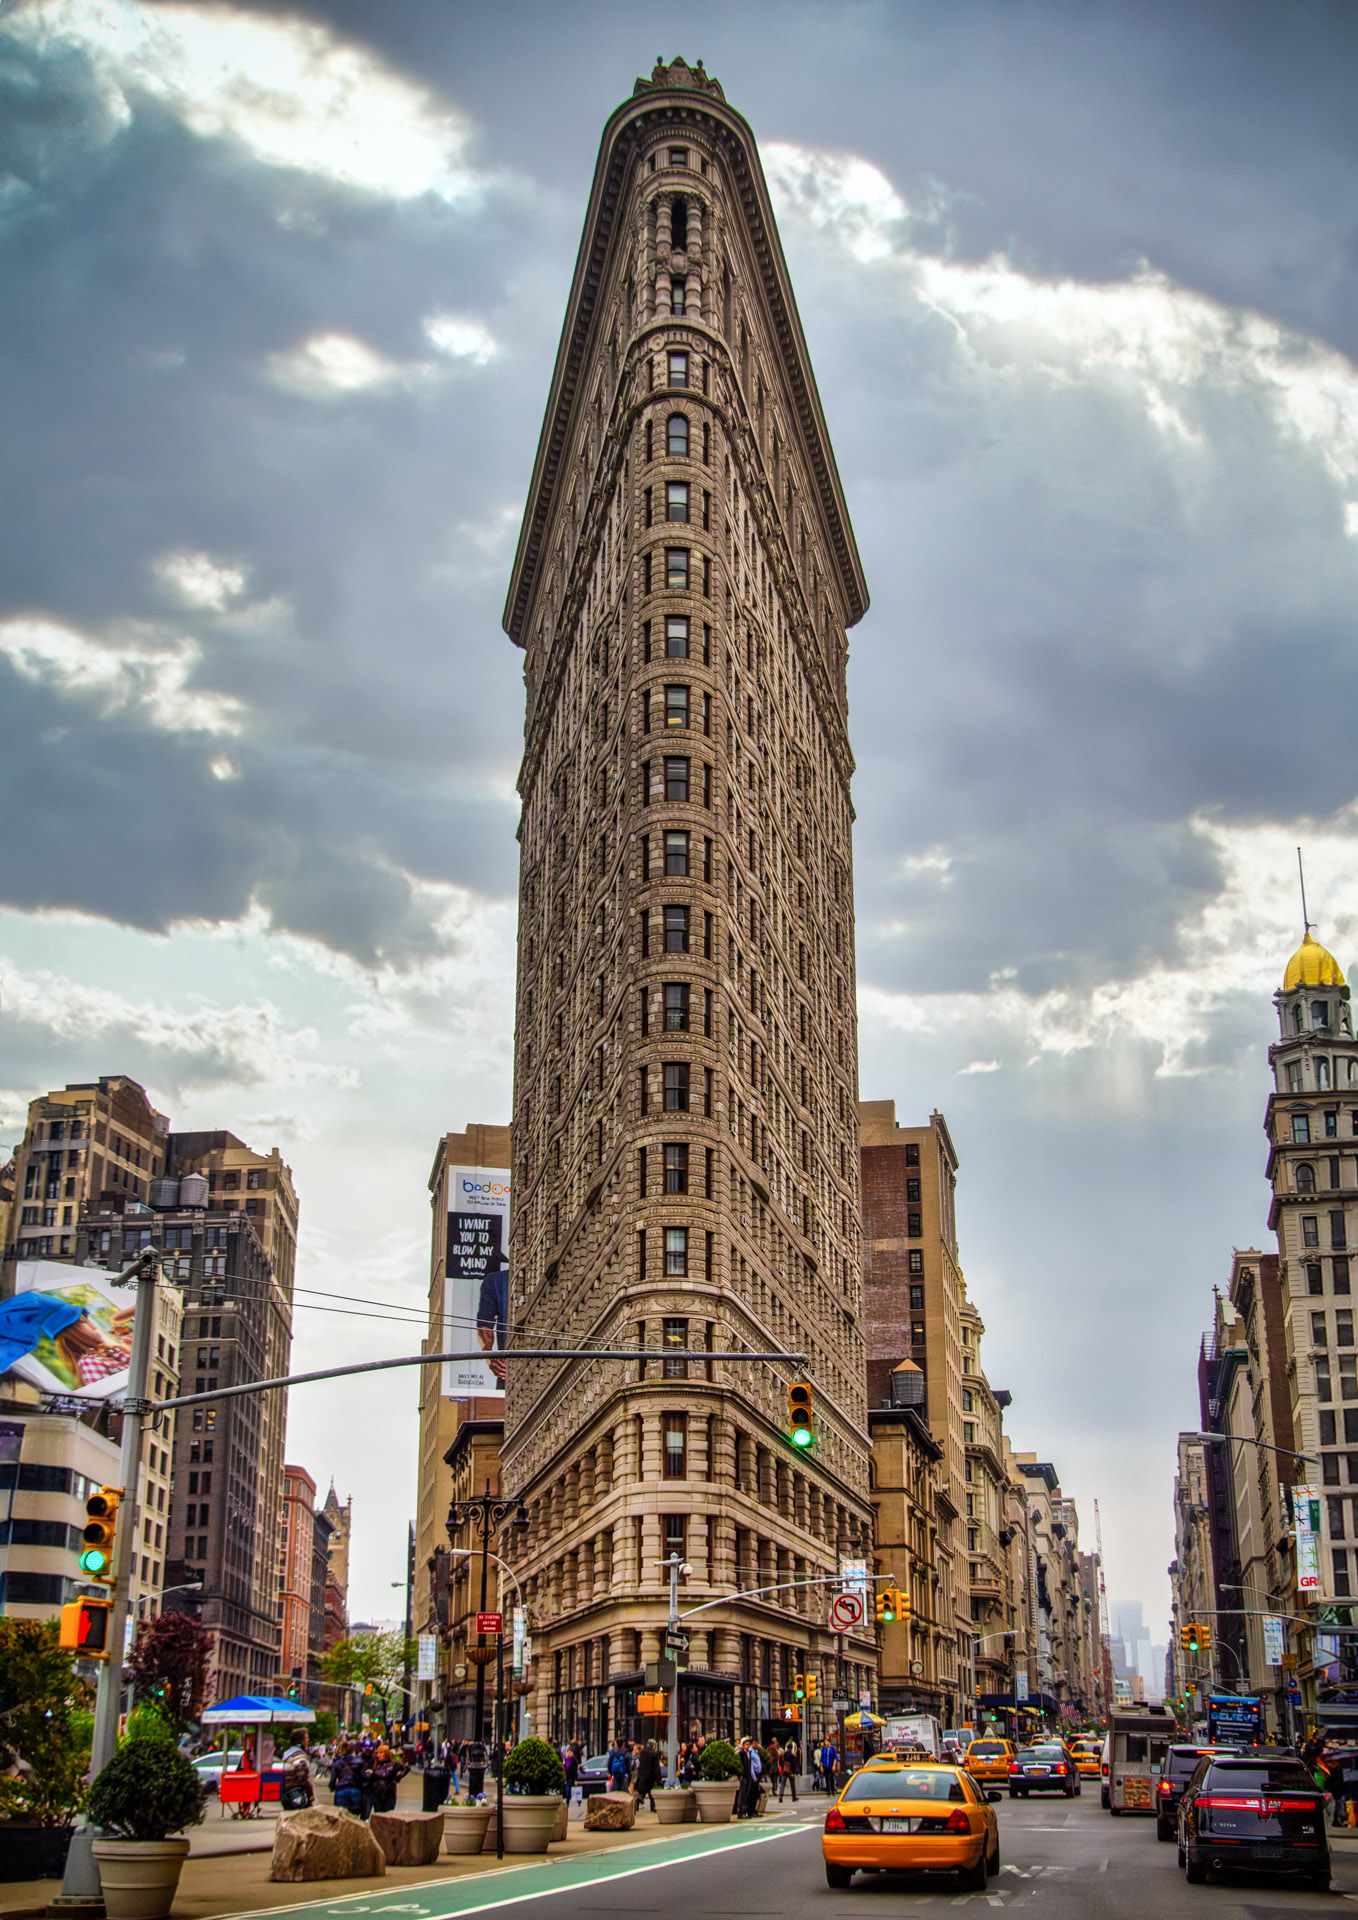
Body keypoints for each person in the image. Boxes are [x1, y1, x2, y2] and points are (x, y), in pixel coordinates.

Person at [329, 1741, 365, 1817]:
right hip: (355, 1791)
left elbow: (333, 1779)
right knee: (354, 1816)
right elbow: (363, 1777)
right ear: (352, 1751)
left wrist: (332, 1787)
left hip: (341, 1791)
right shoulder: (359, 1762)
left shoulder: (337, 1764)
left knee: (342, 1817)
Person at [370, 1742, 407, 1815]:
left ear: (386, 1754)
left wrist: (399, 1775)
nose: (378, 1755)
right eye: (377, 1753)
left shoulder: (393, 1764)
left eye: (381, 1753)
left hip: (389, 1793)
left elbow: (406, 1768)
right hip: (377, 1793)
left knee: (388, 1814)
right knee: (379, 1815)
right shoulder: (375, 1765)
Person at [633, 1739, 661, 1813]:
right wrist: (658, 1779)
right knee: (651, 1793)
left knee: (642, 1792)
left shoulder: (642, 1753)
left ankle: (636, 1806)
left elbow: (640, 1766)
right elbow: (656, 1767)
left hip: (643, 1776)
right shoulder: (654, 1754)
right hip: (651, 1776)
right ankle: (653, 1807)